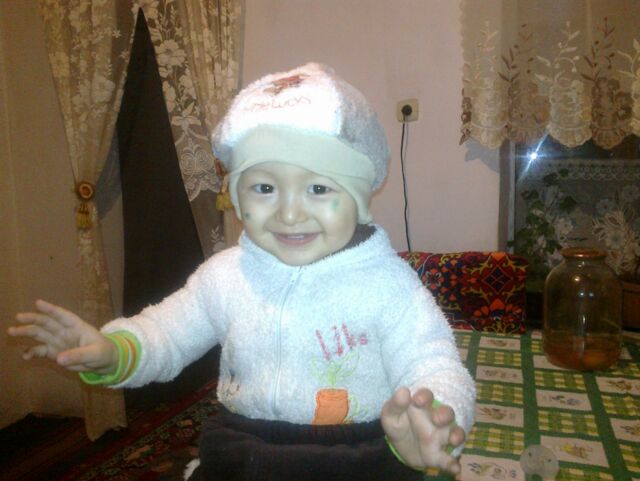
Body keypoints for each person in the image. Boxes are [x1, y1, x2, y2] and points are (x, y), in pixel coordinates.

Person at [8, 63, 475, 481]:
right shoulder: (225, 276)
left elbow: (433, 361)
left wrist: (435, 417)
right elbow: (165, 334)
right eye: (264, 188)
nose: (289, 214)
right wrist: (114, 350)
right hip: (239, 452)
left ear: (359, 197)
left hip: (359, 456)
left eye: (318, 189)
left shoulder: (386, 284)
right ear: (235, 194)